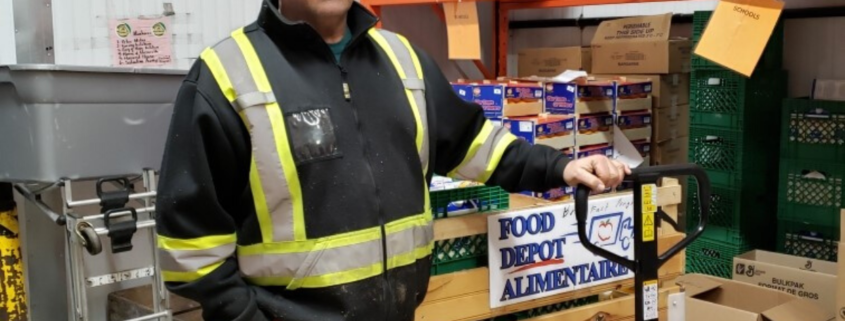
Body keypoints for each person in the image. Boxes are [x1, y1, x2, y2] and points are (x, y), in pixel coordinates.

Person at [154, 0, 630, 320]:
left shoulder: (404, 61)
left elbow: (471, 143)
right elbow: (191, 249)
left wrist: (560, 167)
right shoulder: (226, 76)